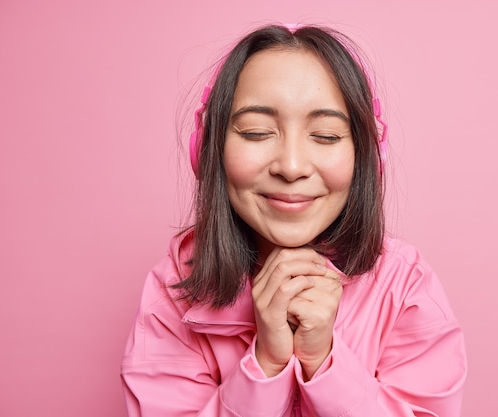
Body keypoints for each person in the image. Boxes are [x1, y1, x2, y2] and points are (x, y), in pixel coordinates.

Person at [121, 23, 466, 417]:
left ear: (367, 158)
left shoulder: (406, 288)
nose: (291, 166)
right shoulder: (172, 294)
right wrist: (265, 364)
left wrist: (324, 361)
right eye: (256, 132)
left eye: (326, 135)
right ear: (209, 149)